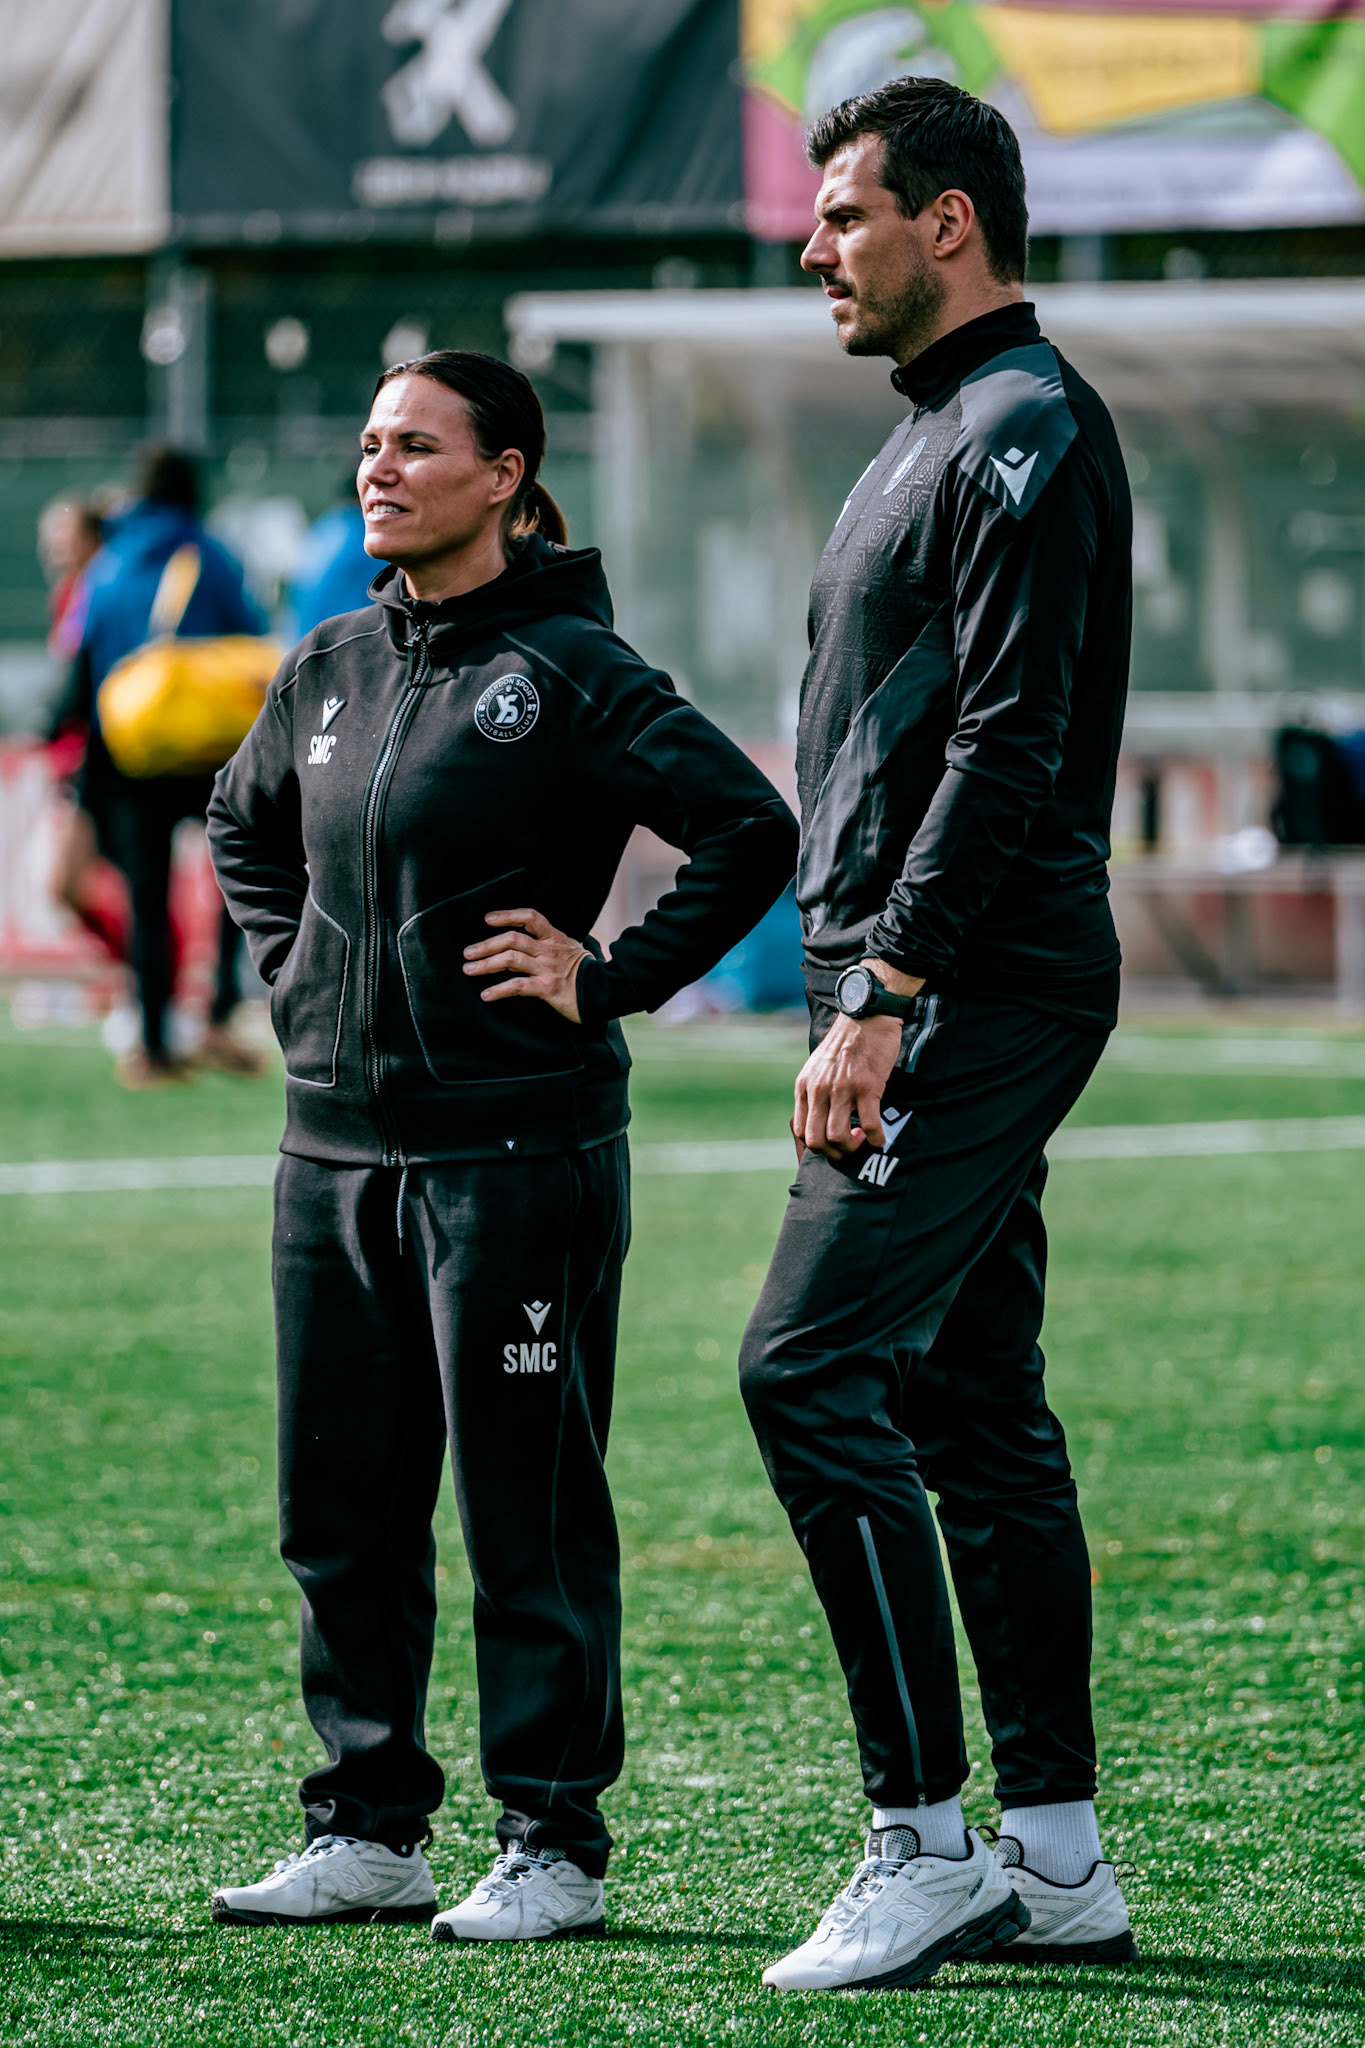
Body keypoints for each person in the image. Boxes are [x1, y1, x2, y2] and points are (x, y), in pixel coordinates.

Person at [205, 350, 797, 1936]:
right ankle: (368, 1826)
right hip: (329, 1158)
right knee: (339, 1508)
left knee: (524, 1509)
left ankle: (551, 1843)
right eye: (366, 443)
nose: (376, 468)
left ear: (507, 477)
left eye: (414, 444)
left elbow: (752, 830)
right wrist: (296, 972)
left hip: (516, 1158)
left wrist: (605, 979)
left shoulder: (577, 670)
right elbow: (239, 822)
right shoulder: (325, 665)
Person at [737, 79, 1137, 1992]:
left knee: (805, 1367)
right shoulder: (932, 434)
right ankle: (1055, 1859)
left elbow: (1008, 741)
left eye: (845, 214)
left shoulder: (1027, 427)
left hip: (969, 975)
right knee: (968, 1402)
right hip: (906, 966)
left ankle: (924, 1837)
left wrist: (887, 990)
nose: (816, 245)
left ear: (950, 221)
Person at [70, 449, 268, 1085]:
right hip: (212, 748)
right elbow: (251, 638)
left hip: (135, 752)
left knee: (146, 899)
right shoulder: (212, 555)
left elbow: (83, 655)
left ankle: (152, 1045)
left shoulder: (109, 564)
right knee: (235, 883)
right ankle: (215, 1016)